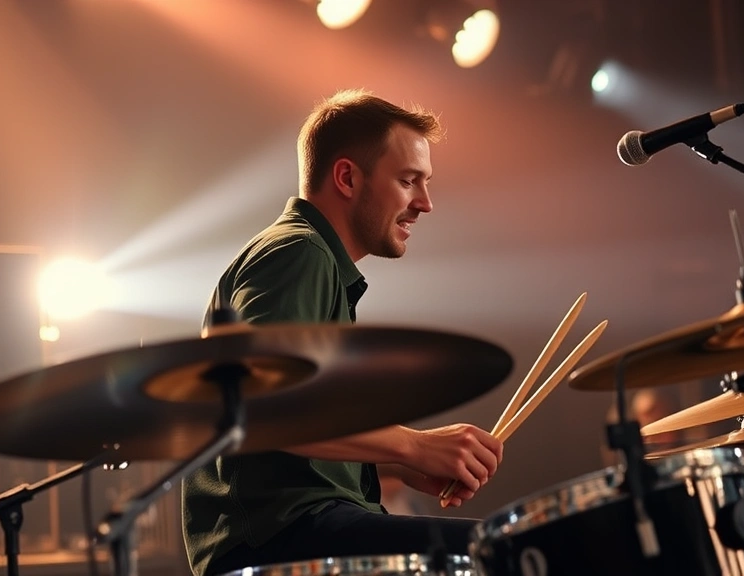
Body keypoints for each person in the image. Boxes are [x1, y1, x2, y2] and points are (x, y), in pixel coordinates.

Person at [181, 90, 504, 576]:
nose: (425, 203)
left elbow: (297, 439)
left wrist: (400, 466)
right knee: (500, 550)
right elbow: (268, 405)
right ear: (348, 177)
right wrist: (416, 446)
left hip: (297, 528)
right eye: (408, 181)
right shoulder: (299, 252)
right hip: (279, 538)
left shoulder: (310, 258)